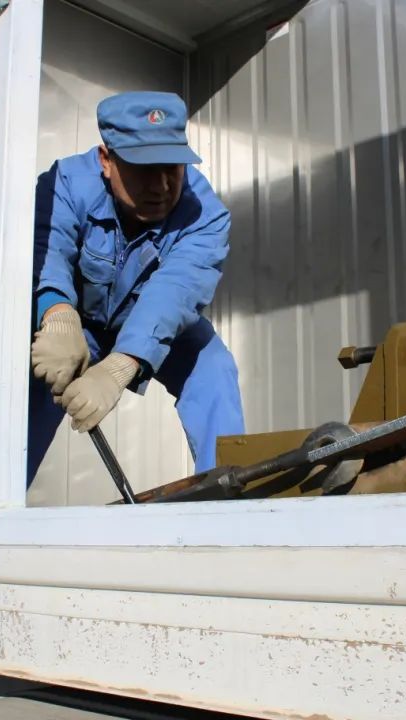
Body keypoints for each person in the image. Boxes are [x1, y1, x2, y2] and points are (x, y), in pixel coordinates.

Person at [28, 91, 245, 485]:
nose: (160, 185)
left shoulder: (205, 215)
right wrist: (57, 315)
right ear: (106, 160)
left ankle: (226, 492)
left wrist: (120, 367)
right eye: (144, 168)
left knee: (212, 366)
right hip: (78, 322)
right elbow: (48, 248)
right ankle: (1, 493)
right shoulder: (65, 183)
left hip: (159, 325)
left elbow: (174, 294)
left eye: (172, 168)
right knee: (33, 373)